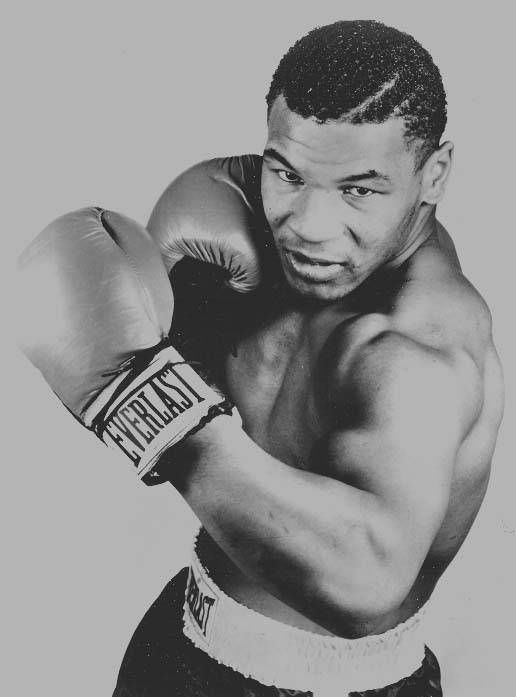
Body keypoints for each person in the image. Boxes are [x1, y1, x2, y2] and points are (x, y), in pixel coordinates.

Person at [18, 20, 504, 697]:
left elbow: (365, 576)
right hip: (183, 638)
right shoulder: (252, 231)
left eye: (359, 189)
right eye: (288, 172)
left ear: (434, 174)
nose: (308, 223)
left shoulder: (415, 351)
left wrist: (140, 401)